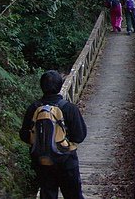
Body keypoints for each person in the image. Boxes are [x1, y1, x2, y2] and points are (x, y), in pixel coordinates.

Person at [19, 70, 87, 199]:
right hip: (67, 160)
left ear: (41, 86)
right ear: (60, 86)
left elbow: (23, 134)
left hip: (43, 161)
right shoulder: (69, 108)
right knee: (73, 195)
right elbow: (80, 136)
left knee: (48, 194)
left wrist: (42, 142)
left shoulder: (34, 108)